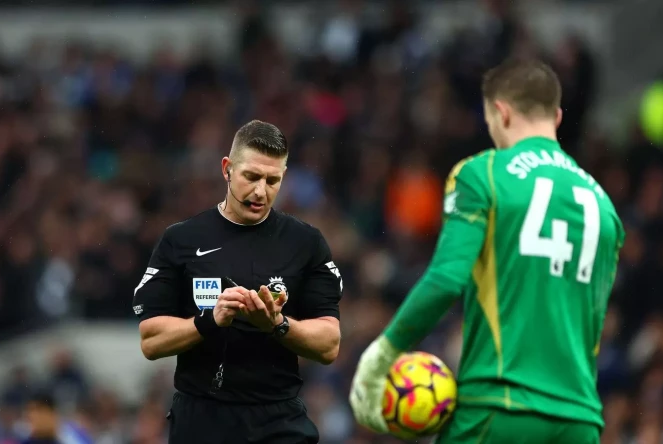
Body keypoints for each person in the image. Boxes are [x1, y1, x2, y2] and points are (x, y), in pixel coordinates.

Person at [349, 58, 625, 443]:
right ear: (557, 116)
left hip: (500, 406)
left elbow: (446, 280)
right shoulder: (604, 206)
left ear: (501, 111)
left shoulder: (483, 174)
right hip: (579, 419)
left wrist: (381, 354)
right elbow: (594, 322)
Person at [133, 119, 343, 444]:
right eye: (251, 176)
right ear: (227, 169)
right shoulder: (182, 239)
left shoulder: (306, 243)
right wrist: (210, 321)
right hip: (202, 420)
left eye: (273, 180)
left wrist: (277, 323)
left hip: (278, 419)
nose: (261, 191)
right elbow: (151, 340)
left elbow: (329, 344)